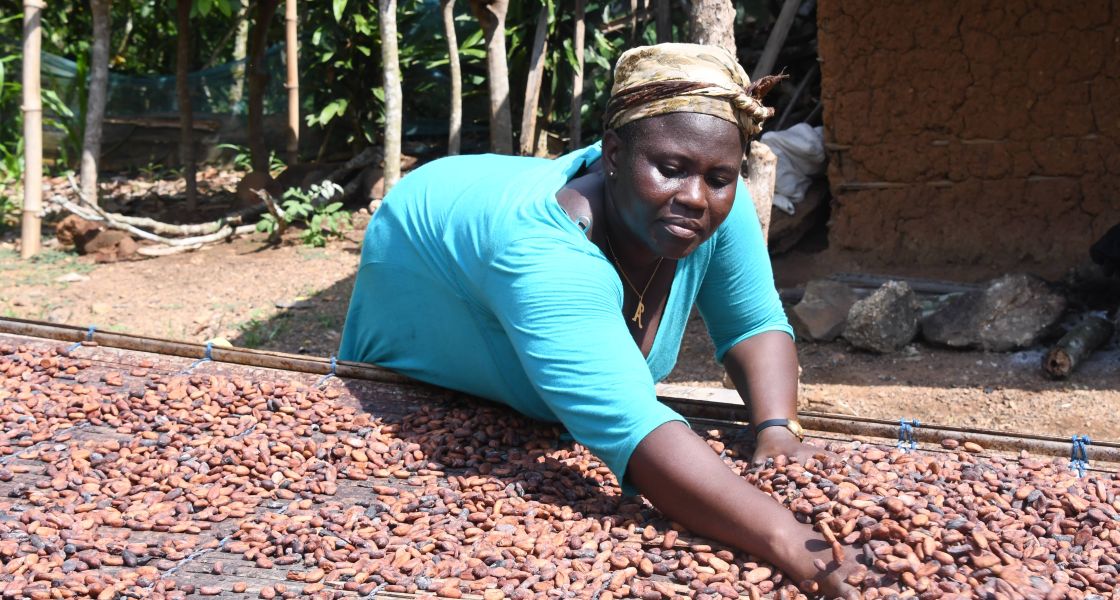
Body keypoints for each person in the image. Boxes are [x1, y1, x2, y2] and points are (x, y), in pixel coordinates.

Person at [340, 43, 859, 598]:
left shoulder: (703, 207)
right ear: (613, 154)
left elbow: (752, 322)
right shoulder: (546, 255)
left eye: (719, 177)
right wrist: (795, 543)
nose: (694, 196)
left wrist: (777, 431)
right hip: (420, 282)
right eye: (670, 169)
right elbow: (633, 424)